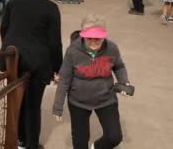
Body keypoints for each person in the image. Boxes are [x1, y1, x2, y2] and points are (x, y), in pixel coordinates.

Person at [0, 0, 62, 149]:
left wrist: (8, 50)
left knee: (16, 101)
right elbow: (54, 42)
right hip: (38, 62)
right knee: (33, 104)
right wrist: (57, 67)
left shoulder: (14, 1)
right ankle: (30, 143)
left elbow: (4, 28)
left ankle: (18, 139)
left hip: (14, 58)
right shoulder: (50, 8)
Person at [53, 14, 130, 149]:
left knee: (114, 137)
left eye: (98, 39)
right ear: (83, 35)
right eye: (89, 38)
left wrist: (124, 82)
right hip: (78, 101)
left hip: (106, 98)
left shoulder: (112, 48)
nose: (94, 42)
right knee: (80, 140)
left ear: (104, 36)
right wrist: (58, 106)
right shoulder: (72, 51)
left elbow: (119, 66)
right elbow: (64, 79)